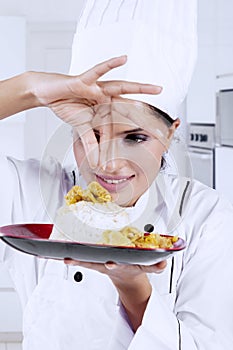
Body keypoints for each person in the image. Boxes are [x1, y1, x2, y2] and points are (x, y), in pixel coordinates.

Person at [1, 2, 233, 350]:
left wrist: (132, 285)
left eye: (135, 138)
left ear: (170, 134)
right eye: (89, 134)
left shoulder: (206, 216)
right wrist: (30, 88)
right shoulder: (32, 191)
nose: (107, 163)